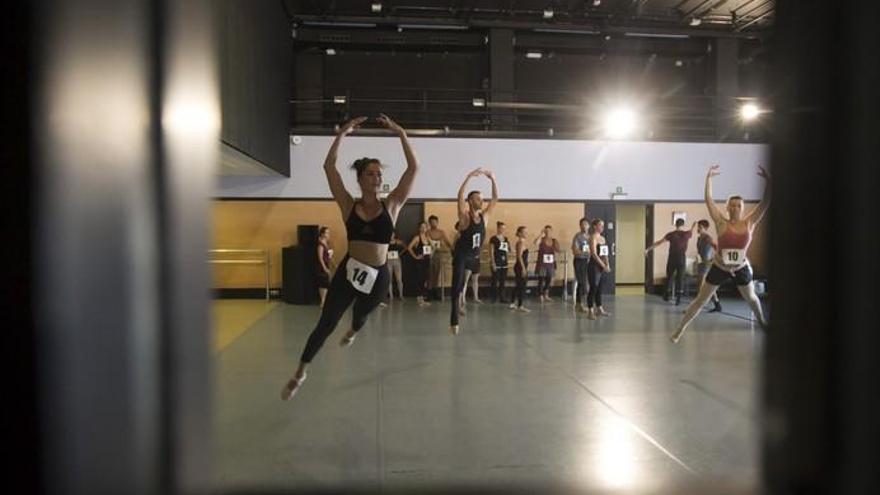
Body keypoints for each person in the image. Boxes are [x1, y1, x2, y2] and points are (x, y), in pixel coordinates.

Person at [281, 114, 418, 400]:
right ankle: (301, 371)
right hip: (348, 272)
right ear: (360, 178)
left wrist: (400, 131)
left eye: (380, 174)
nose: (377, 178)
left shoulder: (392, 204)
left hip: (378, 275)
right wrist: (342, 132)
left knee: (360, 316)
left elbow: (413, 168)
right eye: (371, 173)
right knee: (326, 323)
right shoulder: (347, 204)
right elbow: (329, 167)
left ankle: (354, 330)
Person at [670, 164, 770, 344]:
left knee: (752, 299)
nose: (735, 208)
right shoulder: (720, 222)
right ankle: (679, 330)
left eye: (738, 205)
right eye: (731, 205)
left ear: (742, 207)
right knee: (700, 301)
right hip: (720, 266)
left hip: (740, 267)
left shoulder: (749, 222)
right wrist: (708, 178)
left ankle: (762, 321)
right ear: (727, 207)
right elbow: (708, 199)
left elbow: (765, 203)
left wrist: (768, 182)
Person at [450, 168, 499, 335]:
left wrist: (492, 179)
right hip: (462, 255)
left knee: (467, 283)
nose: (481, 200)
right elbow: (459, 196)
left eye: (481, 198)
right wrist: (469, 176)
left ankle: (464, 304)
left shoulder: (484, 218)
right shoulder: (464, 217)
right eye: (478, 198)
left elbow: (495, 199)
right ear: (470, 201)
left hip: (474, 256)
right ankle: (454, 321)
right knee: (457, 287)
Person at [646, 218, 697, 305]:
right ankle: (678, 298)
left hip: (672, 257)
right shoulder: (686, 234)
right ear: (683, 225)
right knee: (680, 277)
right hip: (681, 257)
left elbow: (659, 242)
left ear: (675, 224)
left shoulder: (671, 234)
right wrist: (694, 225)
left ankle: (666, 294)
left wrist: (648, 249)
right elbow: (692, 230)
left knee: (669, 276)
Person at [586, 218, 612, 320]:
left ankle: (599, 308)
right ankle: (590, 311)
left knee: (599, 288)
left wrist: (607, 264)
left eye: (603, 225)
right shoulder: (592, 237)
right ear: (595, 226)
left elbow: (605, 254)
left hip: (601, 266)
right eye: (600, 225)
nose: (602, 227)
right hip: (594, 266)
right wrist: (603, 265)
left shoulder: (603, 238)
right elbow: (594, 254)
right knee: (593, 288)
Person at [695, 219, 722, 312]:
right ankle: (717, 305)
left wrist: (714, 258)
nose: (698, 228)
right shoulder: (699, 238)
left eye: (700, 227)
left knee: (700, 286)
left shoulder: (707, 238)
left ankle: (695, 308)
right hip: (701, 263)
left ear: (705, 228)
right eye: (698, 226)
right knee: (707, 286)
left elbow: (717, 247)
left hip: (706, 264)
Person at [426, 215, 453, 301]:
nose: (433, 223)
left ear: (437, 222)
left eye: (435, 222)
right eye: (431, 222)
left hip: (438, 254)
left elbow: (448, 242)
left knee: (437, 274)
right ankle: (429, 293)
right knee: (430, 274)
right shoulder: (427, 232)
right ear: (429, 223)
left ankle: (435, 292)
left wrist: (452, 249)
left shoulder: (441, 232)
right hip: (430, 254)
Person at [407, 221, 432, 307]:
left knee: (425, 279)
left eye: (424, 227)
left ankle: (422, 297)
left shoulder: (428, 238)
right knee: (419, 279)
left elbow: (433, 246)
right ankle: (419, 298)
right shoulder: (417, 238)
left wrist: (431, 253)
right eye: (421, 227)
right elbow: (409, 247)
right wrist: (415, 256)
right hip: (419, 262)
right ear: (419, 228)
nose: (423, 228)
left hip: (426, 261)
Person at [533, 225, 561, 303]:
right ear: (544, 232)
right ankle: (540, 295)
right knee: (541, 279)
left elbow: (558, 250)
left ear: (552, 231)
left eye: (549, 231)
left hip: (550, 263)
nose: (548, 232)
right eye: (546, 231)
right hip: (542, 263)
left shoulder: (554, 240)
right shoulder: (541, 240)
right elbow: (535, 243)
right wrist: (540, 235)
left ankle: (546, 294)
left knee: (549, 279)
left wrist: (557, 247)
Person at [571, 217, 591, 313]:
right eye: (582, 224)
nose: (584, 226)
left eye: (586, 224)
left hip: (588, 261)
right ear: (580, 226)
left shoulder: (590, 237)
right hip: (579, 261)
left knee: (586, 282)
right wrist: (585, 251)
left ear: (589, 226)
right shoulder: (577, 236)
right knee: (581, 282)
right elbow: (575, 251)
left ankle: (585, 303)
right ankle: (579, 304)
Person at [510, 226, 531, 313]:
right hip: (520, 267)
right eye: (524, 232)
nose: (526, 233)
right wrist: (523, 268)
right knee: (521, 286)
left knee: (518, 285)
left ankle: (512, 302)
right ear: (520, 233)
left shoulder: (523, 243)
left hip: (522, 266)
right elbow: (519, 257)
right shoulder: (520, 243)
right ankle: (520, 305)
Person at [489, 222, 510, 303]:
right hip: (496, 261)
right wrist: (493, 263)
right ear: (498, 228)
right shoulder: (493, 239)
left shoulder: (506, 239)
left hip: (504, 262)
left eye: (504, 228)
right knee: (495, 280)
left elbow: (507, 251)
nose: (503, 230)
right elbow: (491, 251)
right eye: (501, 228)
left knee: (503, 281)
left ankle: (502, 297)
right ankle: (493, 297)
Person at [385, 230, 406, 303]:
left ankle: (401, 295)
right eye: (390, 234)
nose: (391, 235)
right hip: (388, 260)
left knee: (399, 278)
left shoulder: (398, 241)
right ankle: (391, 296)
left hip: (397, 260)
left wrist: (400, 254)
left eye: (392, 234)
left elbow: (405, 247)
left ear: (394, 234)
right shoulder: (385, 242)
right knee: (389, 279)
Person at [315, 226, 334, 307]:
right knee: (323, 282)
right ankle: (322, 301)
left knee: (326, 282)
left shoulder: (327, 243)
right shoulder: (320, 244)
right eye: (326, 233)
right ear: (322, 234)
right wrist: (324, 268)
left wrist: (333, 264)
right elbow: (320, 258)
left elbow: (329, 256)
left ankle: (324, 300)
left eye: (328, 233)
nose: (328, 234)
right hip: (322, 266)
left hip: (327, 264)